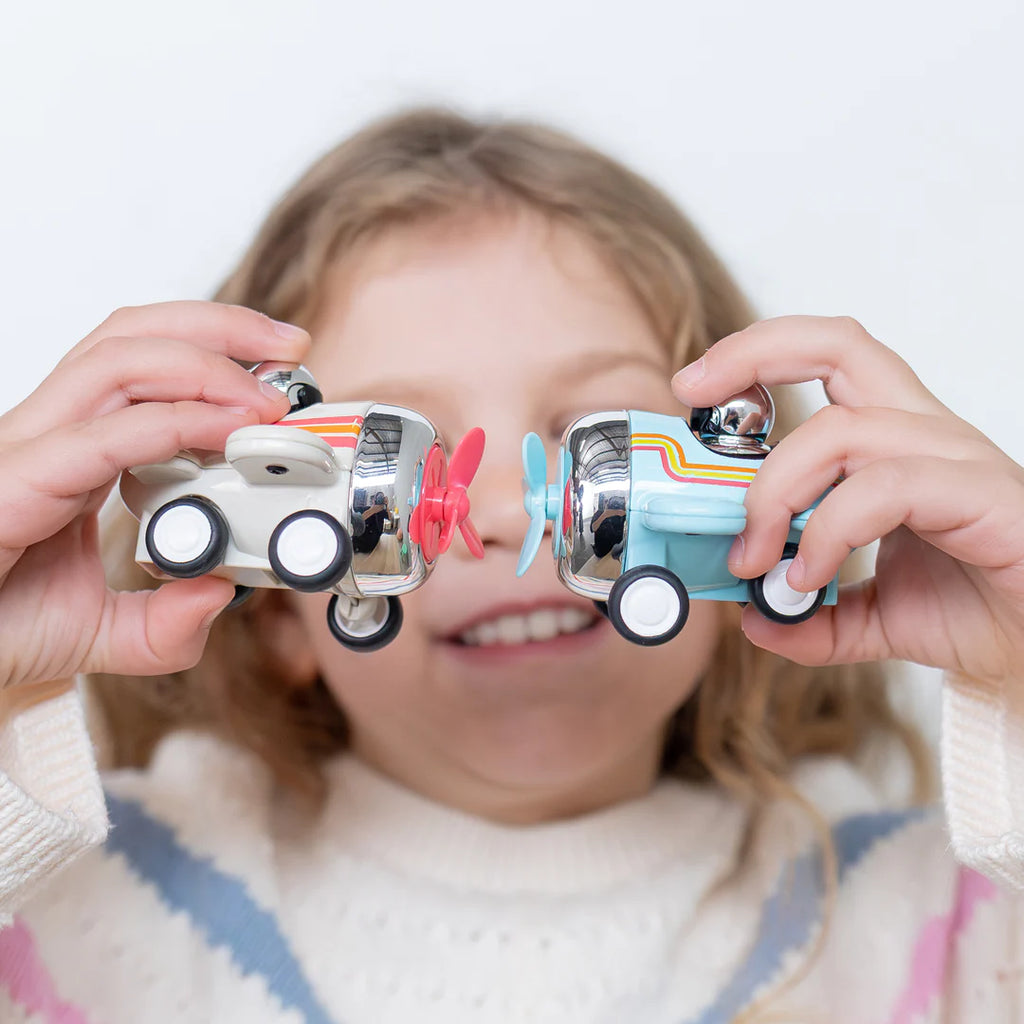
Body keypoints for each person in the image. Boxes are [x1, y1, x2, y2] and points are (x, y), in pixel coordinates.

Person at [1, 108, 1023, 1023]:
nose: (496, 513)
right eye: (415, 451)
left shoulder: (936, 926)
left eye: (588, 427)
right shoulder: (84, 908)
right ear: (277, 614)